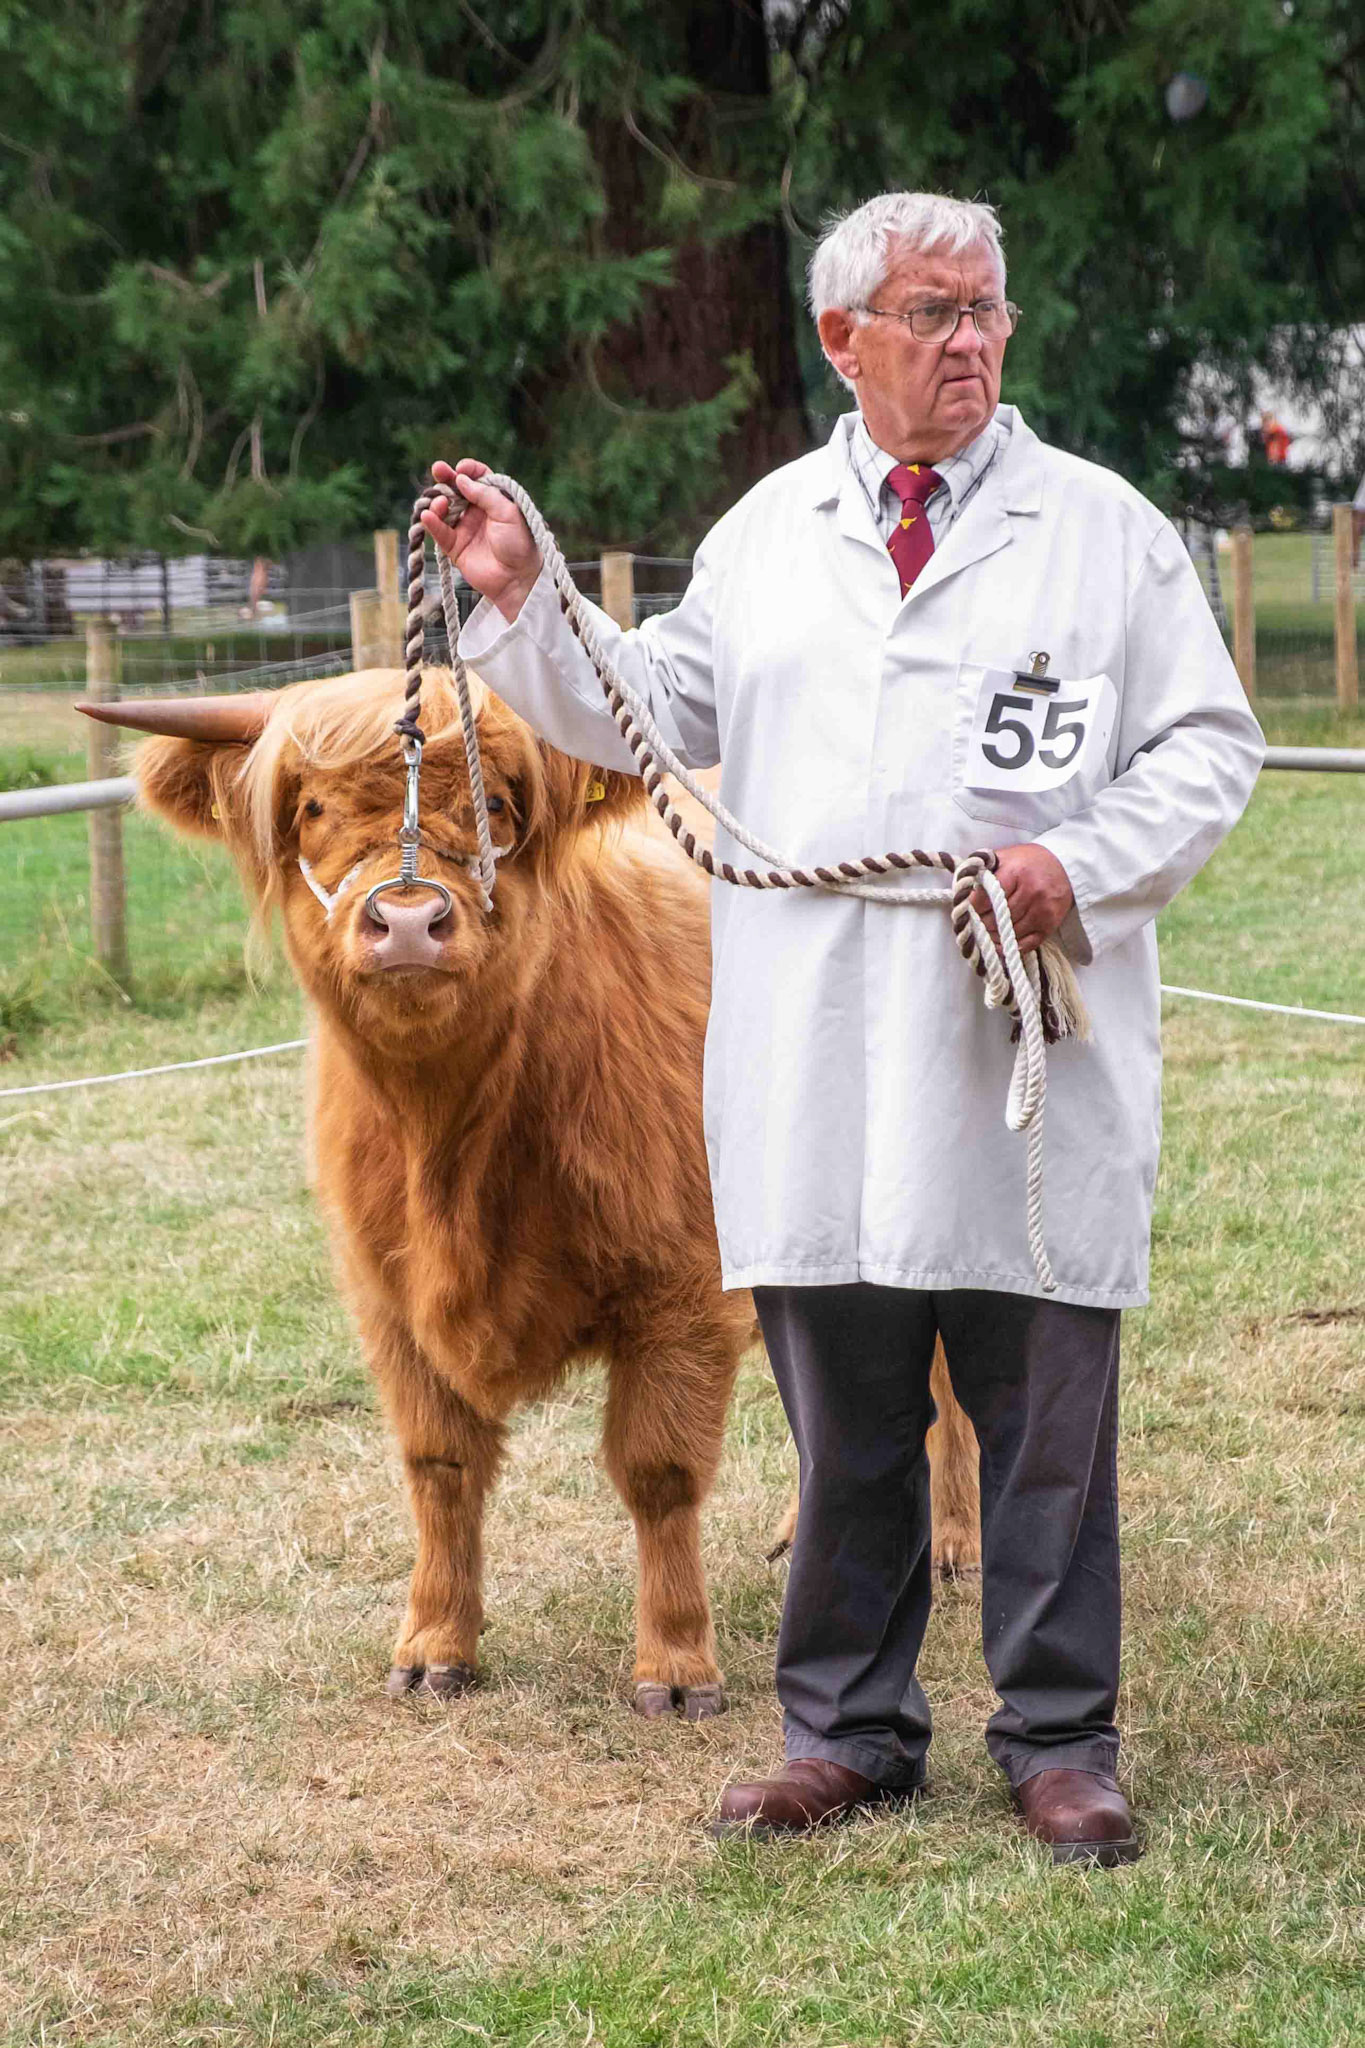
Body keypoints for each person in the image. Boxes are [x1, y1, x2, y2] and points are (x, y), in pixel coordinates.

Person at [423, 192, 1264, 1867]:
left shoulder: (1104, 532)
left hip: (1023, 1041)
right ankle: (849, 1729)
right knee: (845, 1413)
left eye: (986, 310)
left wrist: (1068, 861)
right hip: (817, 1040)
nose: (969, 341)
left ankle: (1056, 1735)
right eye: (932, 311)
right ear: (843, 339)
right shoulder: (768, 532)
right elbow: (650, 719)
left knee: (1037, 1419)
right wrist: (519, 601)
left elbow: (1205, 747)